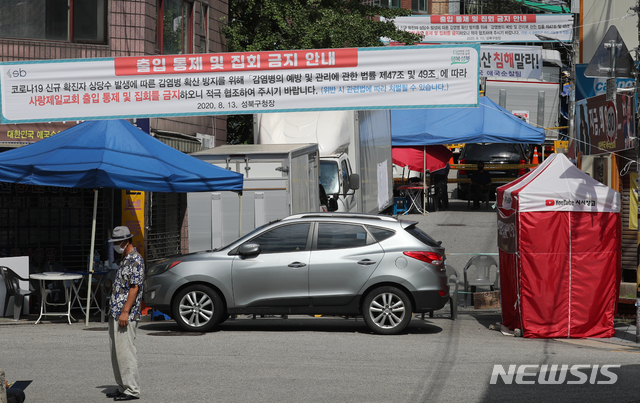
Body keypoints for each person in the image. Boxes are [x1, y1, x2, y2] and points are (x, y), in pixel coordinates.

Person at [106, 226, 144, 401]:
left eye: (117, 242)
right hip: (116, 312)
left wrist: (125, 311)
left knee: (126, 352)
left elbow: (134, 288)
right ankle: (122, 386)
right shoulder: (126, 259)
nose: (115, 245)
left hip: (124, 314)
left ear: (126, 241)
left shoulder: (136, 260)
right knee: (117, 352)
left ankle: (131, 389)